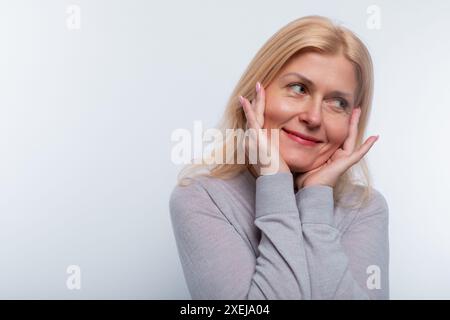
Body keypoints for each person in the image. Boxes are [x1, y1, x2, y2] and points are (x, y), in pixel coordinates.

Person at [169, 15, 389, 299]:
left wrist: (317, 197)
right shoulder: (201, 199)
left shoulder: (364, 209)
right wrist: (275, 182)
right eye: (299, 88)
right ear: (257, 94)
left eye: (337, 102)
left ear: (352, 120)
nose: (312, 117)